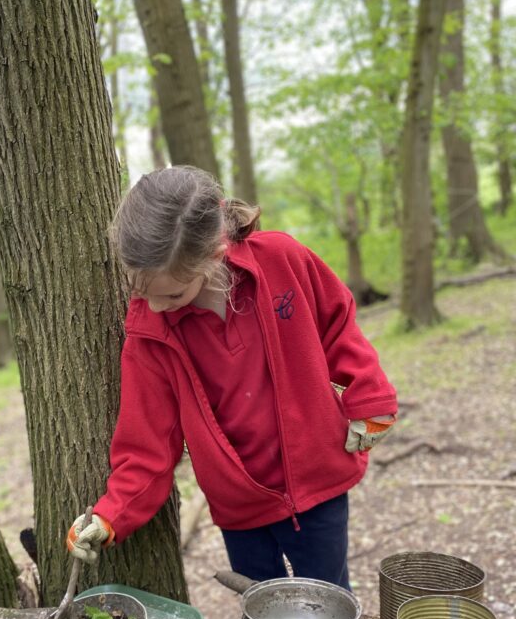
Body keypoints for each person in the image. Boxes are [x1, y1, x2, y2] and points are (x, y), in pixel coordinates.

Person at [65, 166, 396, 589]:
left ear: (215, 254)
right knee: (261, 606)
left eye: (171, 294)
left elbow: (337, 323)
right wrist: (111, 515)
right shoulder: (150, 333)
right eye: (139, 289)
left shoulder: (282, 260)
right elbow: (146, 442)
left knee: (329, 596)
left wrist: (370, 399)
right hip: (240, 508)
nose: (156, 306)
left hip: (319, 484)